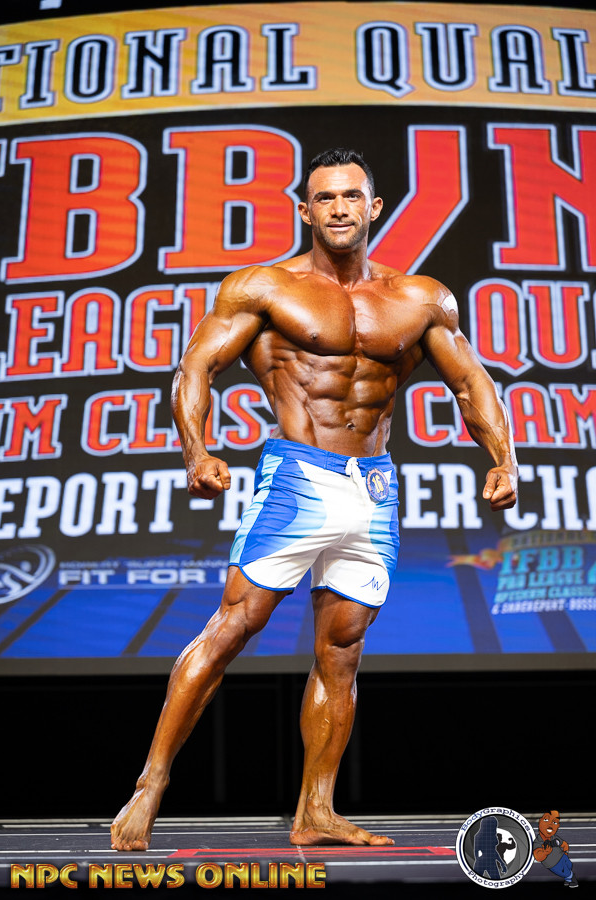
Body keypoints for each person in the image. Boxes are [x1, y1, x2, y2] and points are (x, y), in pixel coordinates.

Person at [111, 147, 518, 851]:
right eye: (324, 198)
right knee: (235, 625)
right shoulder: (265, 287)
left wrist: (504, 460)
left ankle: (317, 810)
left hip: (375, 487)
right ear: (305, 210)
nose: (338, 209)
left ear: (374, 207)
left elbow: (471, 381)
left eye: (350, 196)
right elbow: (196, 365)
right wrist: (196, 451)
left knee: (343, 649)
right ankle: (151, 785)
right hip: (298, 476)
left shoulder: (421, 298)